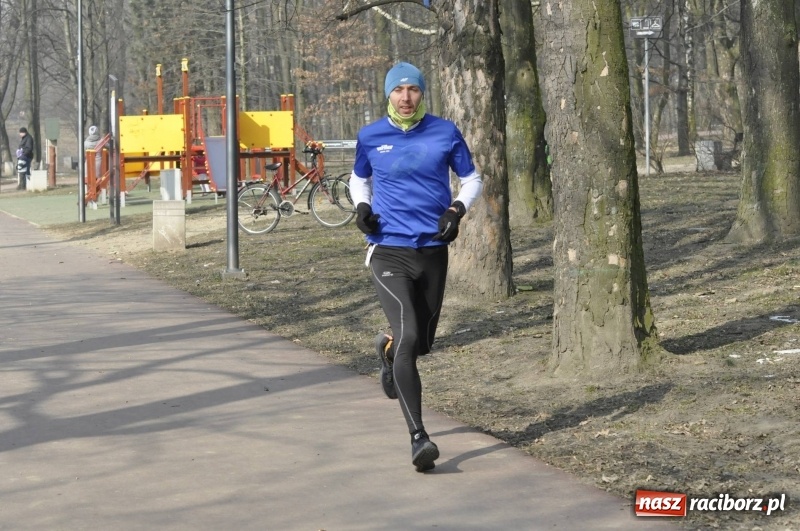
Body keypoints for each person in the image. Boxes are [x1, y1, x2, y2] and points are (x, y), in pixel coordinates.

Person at [349, 62, 483, 472]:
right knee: (409, 335)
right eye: (398, 91)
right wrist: (363, 208)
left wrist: (457, 210)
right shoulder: (371, 136)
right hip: (388, 250)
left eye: (413, 90)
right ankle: (419, 438)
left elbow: (472, 178)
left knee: (420, 343)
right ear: (387, 95)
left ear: (422, 94)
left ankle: (387, 352)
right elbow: (359, 180)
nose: (405, 98)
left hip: (432, 251)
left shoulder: (444, 132)